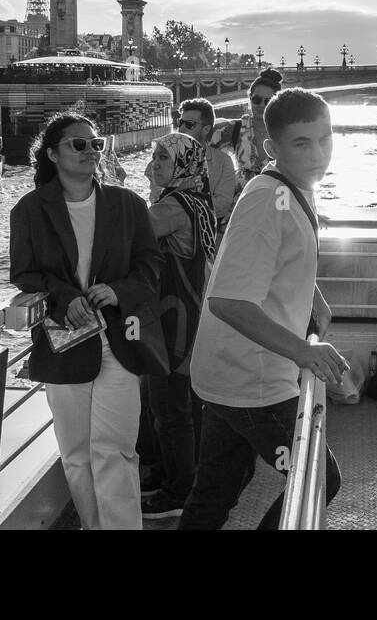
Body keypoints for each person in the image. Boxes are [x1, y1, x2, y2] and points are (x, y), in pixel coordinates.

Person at [179, 88, 346, 529]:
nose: (318, 154)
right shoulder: (268, 201)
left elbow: (275, 261)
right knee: (318, 478)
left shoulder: (293, 189)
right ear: (273, 148)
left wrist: (311, 292)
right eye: (302, 143)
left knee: (214, 494)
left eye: (325, 138)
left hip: (226, 371)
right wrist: (304, 352)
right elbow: (229, 301)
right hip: (253, 377)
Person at [9, 112, 163, 530]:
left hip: (119, 339)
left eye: (97, 144)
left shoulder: (127, 204)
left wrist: (119, 291)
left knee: (115, 450)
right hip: (65, 339)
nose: (91, 151)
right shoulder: (29, 210)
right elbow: (24, 273)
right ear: (53, 154)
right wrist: (63, 298)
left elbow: (150, 265)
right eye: (79, 144)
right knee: (76, 453)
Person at [138, 132, 220, 519]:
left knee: (169, 410)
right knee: (187, 407)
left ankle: (177, 491)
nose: (155, 164)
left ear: (183, 165)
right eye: (154, 156)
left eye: (162, 158)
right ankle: (189, 479)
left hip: (174, 321)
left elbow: (128, 234)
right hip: (195, 314)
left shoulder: (170, 207)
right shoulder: (198, 200)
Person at [176, 96, 239, 232]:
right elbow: (156, 195)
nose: (181, 128)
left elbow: (222, 205)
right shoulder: (165, 156)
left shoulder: (223, 162)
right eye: (180, 122)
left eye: (189, 125)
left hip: (206, 234)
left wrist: (178, 206)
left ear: (206, 129)